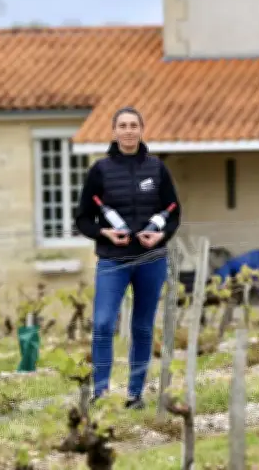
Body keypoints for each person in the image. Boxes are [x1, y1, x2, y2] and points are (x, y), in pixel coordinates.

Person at [74, 106, 181, 410]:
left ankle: (135, 395)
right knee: (103, 325)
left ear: (141, 130)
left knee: (143, 328)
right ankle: (100, 393)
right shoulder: (100, 170)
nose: (129, 131)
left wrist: (160, 235)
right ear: (114, 131)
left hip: (151, 260)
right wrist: (104, 233)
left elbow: (174, 212)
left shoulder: (157, 169)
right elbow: (82, 219)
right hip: (113, 261)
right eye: (123, 125)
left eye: (134, 125)